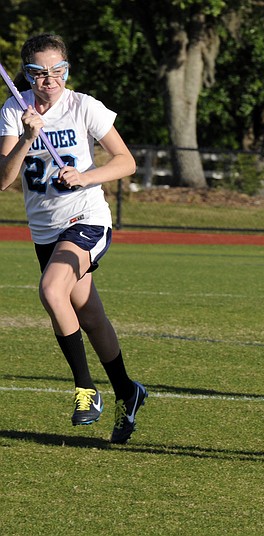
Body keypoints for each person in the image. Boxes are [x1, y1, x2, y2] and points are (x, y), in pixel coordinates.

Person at [0, 34, 146, 443]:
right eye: (40, 73)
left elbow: (126, 162)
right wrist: (28, 138)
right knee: (91, 317)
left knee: (51, 289)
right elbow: (2, 180)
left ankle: (86, 389)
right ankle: (127, 392)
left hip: (87, 220)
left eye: (58, 70)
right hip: (44, 231)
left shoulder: (84, 106)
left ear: (67, 69)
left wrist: (85, 176)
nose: (51, 80)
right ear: (27, 75)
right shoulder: (14, 111)